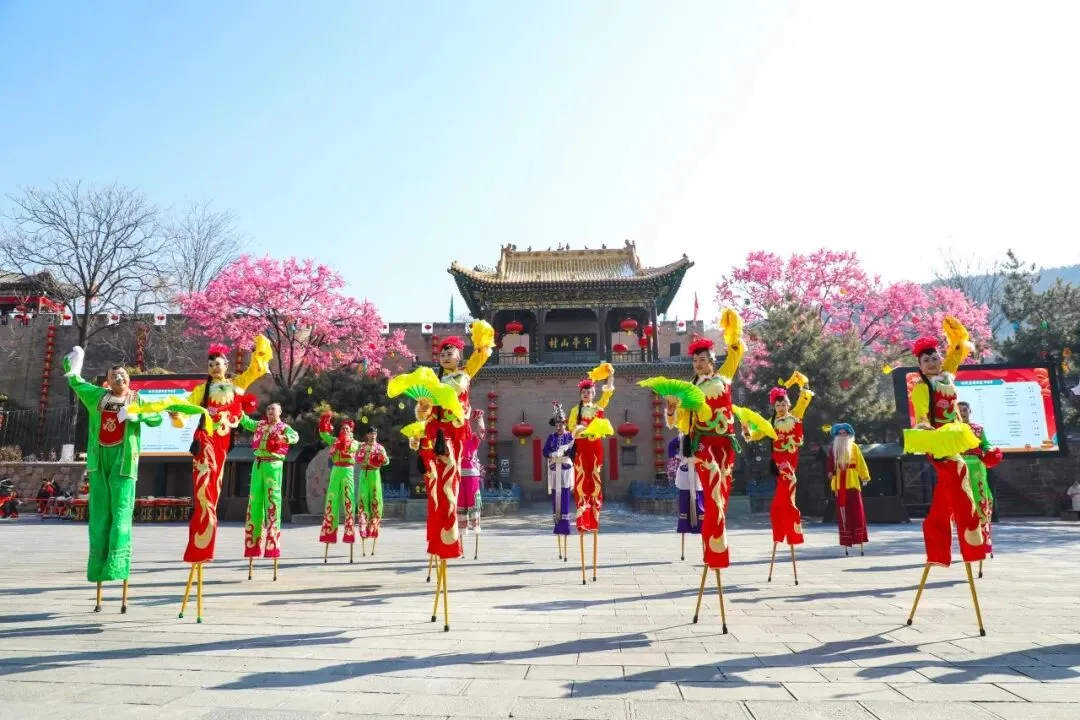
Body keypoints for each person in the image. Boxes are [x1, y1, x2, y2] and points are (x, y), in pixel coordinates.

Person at [175, 338, 271, 623]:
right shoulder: (201, 390)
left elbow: (254, 370)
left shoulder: (235, 385)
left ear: (227, 365)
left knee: (212, 491)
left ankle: (204, 543)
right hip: (205, 441)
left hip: (222, 444)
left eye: (219, 363)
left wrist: (259, 347)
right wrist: (177, 412)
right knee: (204, 490)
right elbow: (184, 405)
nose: (215, 367)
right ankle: (199, 544)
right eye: (211, 364)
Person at [904, 318, 989, 635]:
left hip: (955, 436)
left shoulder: (947, 376)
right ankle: (970, 527)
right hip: (939, 440)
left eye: (934, 357)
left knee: (953, 484)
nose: (932, 362)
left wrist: (958, 338)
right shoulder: (922, 388)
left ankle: (951, 533)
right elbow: (922, 414)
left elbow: (956, 354)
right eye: (926, 359)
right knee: (957, 471)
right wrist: (925, 426)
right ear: (919, 365)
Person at [63, 348, 163, 613]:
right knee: (98, 516)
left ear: (129, 379)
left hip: (123, 464)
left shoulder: (137, 399)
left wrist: (137, 415)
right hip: (99, 464)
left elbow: (156, 417)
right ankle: (98, 568)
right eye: (114, 376)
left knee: (120, 516)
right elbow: (75, 380)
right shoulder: (98, 396)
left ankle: (117, 566)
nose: (119, 378)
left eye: (122, 375)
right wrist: (74, 362)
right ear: (107, 381)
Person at [665, 309, 744, 631]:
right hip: (703, 448)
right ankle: (715, 548)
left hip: (724, 445)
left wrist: (731, 329)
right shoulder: (690, 391)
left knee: (719, 496)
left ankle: (715, 546)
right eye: (695, 361)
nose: (699, 364)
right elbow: (681, 425)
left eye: (703, 359)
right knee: (712, 497)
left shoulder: (725, 377)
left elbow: (737, 350)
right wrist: (672, 410)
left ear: (713, 360)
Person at [413, 321, 495, 631]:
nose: (447, 355)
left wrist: (481, 342)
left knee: (448, 486)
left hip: (452, 437)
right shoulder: (434, 382)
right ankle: (439, 538)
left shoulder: (462, 376)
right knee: (435, 488)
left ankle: (448, 538)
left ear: (460, 356)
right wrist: (422, 409)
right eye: (443, 352)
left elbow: (476, 363)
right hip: (434, 436)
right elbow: (425, 413)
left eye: (452, 352)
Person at [239, 403, 298, 580]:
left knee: (272, 503)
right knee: (254, 503)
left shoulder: (284, 427)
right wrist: (236, 406)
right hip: (258, 464)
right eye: (268, 409)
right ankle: (252, 546)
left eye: (274, 409)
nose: (270, 411)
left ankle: (272, 546)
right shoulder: (260, 425)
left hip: (273, 465)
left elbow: (295, 437)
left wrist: (283, 438)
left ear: (280, 412)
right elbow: (245, 421)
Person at [569, 373, 615, 583]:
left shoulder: (598, 408)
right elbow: (572, 430)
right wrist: (578, 429)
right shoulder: (575, 410)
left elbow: (608, 395)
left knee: (595, 480)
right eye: (584, 392)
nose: (586, 394)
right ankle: (582, 515)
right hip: (582, 448)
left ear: (594, 393)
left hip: (595, 447)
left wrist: (610, 378)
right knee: (581, 481)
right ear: (581, 394)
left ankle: (594, 514)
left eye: (589, 392)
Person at [958, 400, 1002, 571]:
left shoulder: (978, 428)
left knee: (982, 501)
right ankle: (967, 545)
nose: (962, 413)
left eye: (964, 410)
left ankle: (985, 543)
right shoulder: (952, 429)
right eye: (959, 410)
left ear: (969, 411)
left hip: (976, 466)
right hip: (959, 465)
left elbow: (986, 444)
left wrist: (989, 450)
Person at [318, 413, 359, 561]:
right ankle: (329, 534)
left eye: (347, 428)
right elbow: (324, 435)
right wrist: (325, 422)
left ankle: (349, 533)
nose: (345, 430)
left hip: (347, 470)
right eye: (343, 428)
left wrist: (344, 440)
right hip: (336, 469)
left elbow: (350, 448)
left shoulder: (355, 442)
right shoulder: (334, 440)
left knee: (348, 501)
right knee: (332, 500)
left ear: (351, 431)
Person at [827, 423, 870, 555]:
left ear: (848, 434)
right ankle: (846, 541)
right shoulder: (833, 449)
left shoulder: (854, 447)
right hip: (840, 485)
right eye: (839, 434)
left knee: (857, 512)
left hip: (852, 483)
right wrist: (830, 472)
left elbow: (861, 463)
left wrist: (864, 476)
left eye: (844, 433)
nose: (842, 436)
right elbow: (830, 465)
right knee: (843, 514)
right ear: (836, 436)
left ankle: (859, 539)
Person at [544, 403, 575, 561]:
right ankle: (557, 525)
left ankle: (565, 526)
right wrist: (552, 454)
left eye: (561, 424)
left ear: (565, 424)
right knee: (555, 500)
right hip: (554, 470)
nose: (558, 426)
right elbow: (545, 451)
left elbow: (575, 452)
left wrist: (566, 452)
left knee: (564, 498)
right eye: (556, 424)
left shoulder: (570, 437)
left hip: (565, 470)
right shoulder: (552, 437)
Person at [356, 422, 389, 553]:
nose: (373, 435)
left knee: (376, 501)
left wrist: (383, 458)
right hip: (364, 475)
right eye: (371, 433)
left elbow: (386, 461)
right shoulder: (362, 446)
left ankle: (373, 528)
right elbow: (357, 458)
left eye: (375, 433)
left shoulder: (380, 447)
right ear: (367, 435)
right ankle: (363, 528)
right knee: (363, 500)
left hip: (375, 475)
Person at [458, 409, 485, 558]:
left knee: (474, 505)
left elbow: (481, 431)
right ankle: (460, 544)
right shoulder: (454, 440)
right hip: (458, 476)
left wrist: (480, 418)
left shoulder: (473, 439)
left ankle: (476, 528)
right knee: (460, 506)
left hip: (472, 476)